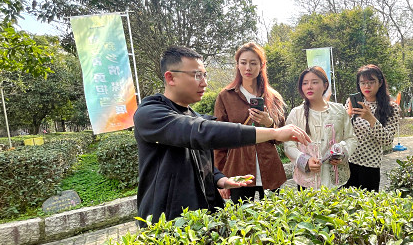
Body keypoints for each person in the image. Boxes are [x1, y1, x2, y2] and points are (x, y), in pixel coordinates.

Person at [133, 46, 310, 227]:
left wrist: (220, 179)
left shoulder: (193, 115)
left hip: (203, 217)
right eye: (196, 75)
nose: (204, 83)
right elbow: (203, 133)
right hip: (168, 221)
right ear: (171, 77)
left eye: (204, 75)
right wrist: (274, 131)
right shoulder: (150, 114)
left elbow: (202, 159)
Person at [214, 42, 287, 202]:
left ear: (262, 65)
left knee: (273, 221)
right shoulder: (226, 96)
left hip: (269, 168)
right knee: (241, 221)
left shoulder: (272, 97)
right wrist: (219, 177)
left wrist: (269, 123)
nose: (248, 68)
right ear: (237, 65)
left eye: (253, 63)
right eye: (243, 62)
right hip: (238, 170)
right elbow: (219, 140)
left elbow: (281, 137)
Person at [284, 66, 357, 189]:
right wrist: (305, 161)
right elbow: (288, 145)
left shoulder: (339, 110)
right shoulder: (296, 113)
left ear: (325, 85)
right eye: (305, 83)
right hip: (306, 181)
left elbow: (351, 139)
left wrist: (342, 153)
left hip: (336, 179)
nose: (309, 87)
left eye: (315, 82)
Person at [344, 64, 399, 192]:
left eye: (371, 82)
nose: (367, 86)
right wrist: (347, 115)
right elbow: (341, 131)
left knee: (366, 207)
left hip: (370, 166)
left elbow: (387, 141)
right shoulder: (353, 102)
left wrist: (370, 118)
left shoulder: (391, 108)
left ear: (380, 83)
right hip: (347, 162)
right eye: (362, 83)